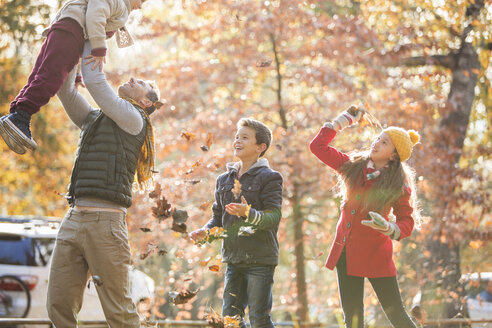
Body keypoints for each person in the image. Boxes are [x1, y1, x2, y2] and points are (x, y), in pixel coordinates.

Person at [46, 41, 162, 327]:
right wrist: (71, 48)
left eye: (141, 84)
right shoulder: (94, 119)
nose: (133, 79)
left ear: (146, 103)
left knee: (118, 311)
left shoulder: (135, 119)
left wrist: (88, 42)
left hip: (106, 225)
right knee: (58, 304)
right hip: (73, 218)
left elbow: (96, 84)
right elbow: (66, 89)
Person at [309, 105, 422, 328]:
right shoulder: (352, 166)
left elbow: (407, 220)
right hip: (346, 252)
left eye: (384, 142)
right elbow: (317, 147)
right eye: (378, 138)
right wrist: (343, 120)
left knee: (397, 315)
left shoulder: (398, 185)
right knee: (353, 319)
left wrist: (390, 228)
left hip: (376, 254)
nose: (376, 143)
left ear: (394, 154)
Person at [0, 0, 145, 155]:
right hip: (70, 32)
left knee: (40, 76)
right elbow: (95, 16)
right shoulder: (119, 3)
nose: (141, 6)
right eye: (142, 1)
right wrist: (99, 49)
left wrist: (76, 75)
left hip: (63, 30)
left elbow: (85, 30)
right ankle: (21, 117)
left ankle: (15, 115)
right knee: (51, 78)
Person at [190, 118, 283, 328]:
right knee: (230, 320)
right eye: (236, 136)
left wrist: (248, 213)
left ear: (261, 147)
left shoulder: (270, 178)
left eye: (244, 137)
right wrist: (205, 232)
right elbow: (218, 218)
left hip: (260, 258)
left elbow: (273, 217)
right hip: (233, 258)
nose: (237, 141)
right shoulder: (224, 180)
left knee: (259, 318)